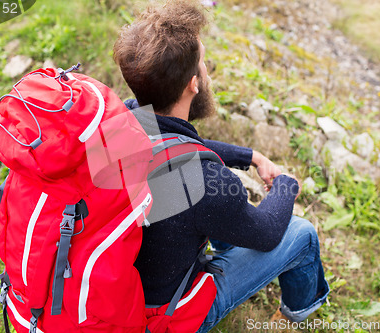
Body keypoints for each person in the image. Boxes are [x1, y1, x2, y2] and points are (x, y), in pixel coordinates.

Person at [112, 1, 329, 331]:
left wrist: (251, 157)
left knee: (213, 216)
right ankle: (296, 315)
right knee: (302, 233)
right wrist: (286, 185)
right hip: (161, 315)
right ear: (193, 84)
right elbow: (268, 233)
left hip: (117, 289)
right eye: (203, 64)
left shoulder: (121, 122)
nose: (206, 70)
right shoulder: (209, 184)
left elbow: (177, 148)